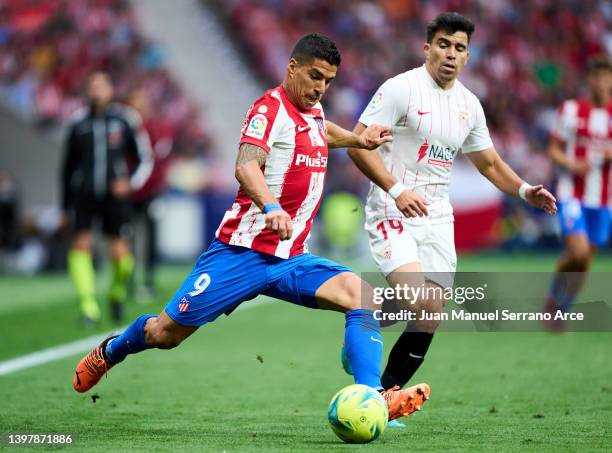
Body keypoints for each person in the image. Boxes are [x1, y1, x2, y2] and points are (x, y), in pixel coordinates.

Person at [72, 34, 430, 422]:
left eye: (328, 81)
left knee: (362, 297)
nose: (320, 88)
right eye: (314, 76)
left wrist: (358, 139)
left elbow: (322, 131)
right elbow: (245, 165)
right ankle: (111, 351)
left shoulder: (314, 110)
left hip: (290, 257)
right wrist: (271, 206)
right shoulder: (268, 110)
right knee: (165, 334)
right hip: (240, 254)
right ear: (292, 67)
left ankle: (373, 396)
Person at [343, 12, 557, 396]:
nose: (451, 54)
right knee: (416, 298)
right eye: (443, 45)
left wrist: (526, 191)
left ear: (467, 57)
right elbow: (357, 145)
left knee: (431, 315)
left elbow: (489, 163)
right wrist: (396, 190)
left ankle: (382, 398)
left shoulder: (469, 105)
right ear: (427, 49)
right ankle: (363, 325)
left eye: (459, 48)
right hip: (393, 208)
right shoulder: (400, 89)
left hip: (438, 215)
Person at [61, 72, 153, 326]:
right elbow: (67, 168)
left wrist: (129, 182)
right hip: (84, 196)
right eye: (92, 86)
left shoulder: (125, 120)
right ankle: (88, 307)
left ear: (110, 89)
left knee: (121, 257)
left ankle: (117, 292)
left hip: (115, 198)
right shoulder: (77, 123)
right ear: (87, 91)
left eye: (101, 85)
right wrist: (64, 206)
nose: (96, 91)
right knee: (80, 246)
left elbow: (144, 158)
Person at [544, 56, 612, 331]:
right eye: (596, 77)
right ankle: (553, 300)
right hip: (572, 193)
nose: (600, 83)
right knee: (580, 251)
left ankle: (561, 306)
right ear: (589, 80)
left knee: (585, 260)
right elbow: (554, 148)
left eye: (606, 77)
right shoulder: (571, 110)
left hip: (603, 200)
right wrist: (571, 164)